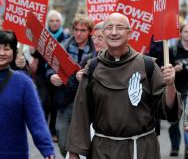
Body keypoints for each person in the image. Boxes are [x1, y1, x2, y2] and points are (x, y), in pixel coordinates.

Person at [66, 13, 183, 159]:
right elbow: (80, 113)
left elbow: (168, 112)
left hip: (141, 150)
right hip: (103, 151)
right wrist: (74, 152)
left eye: (119, 27)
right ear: (103, 33)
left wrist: (170, 85)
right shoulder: (92, 67)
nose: (114, 32)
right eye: (109, 27)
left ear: (129, 33)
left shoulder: (147, 65)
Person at [0, 30, 55, 159]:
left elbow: (36, 120)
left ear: (13, 52)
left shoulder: (24, 83)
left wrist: (47, 149)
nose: (2, 53)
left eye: (7, 49)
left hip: (14, 154)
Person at [46, 14, 95, 157]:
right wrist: (52, 76)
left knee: (86, 138)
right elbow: (51, 67)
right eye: (76, 29)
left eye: (83, 30)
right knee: (62, 137)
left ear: (89, 32)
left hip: (86, 101)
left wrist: (86, 77)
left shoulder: (96, 51)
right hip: (65, 99)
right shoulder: (63, 46)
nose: (78, 33)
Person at [31, 9, 69, 142]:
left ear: (61, 22)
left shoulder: (66, 37)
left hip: (58, 75)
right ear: (48, 22)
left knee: (54, 104)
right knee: (43, 102)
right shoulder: (42, 35)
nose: (54, 23)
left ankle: (52, 130)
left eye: (57, 20)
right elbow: (35, 55)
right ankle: (42, 130)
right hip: (42, 74)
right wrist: (33, 48)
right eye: (51, 20)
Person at [168, 23, 188, 157]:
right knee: (174, 122)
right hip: (176, 90)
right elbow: (165, 68)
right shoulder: (173, 49)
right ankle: (175, 146)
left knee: (187, 123)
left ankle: (187, 148)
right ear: (180, 33)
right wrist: (174, 69)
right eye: (186, 31)